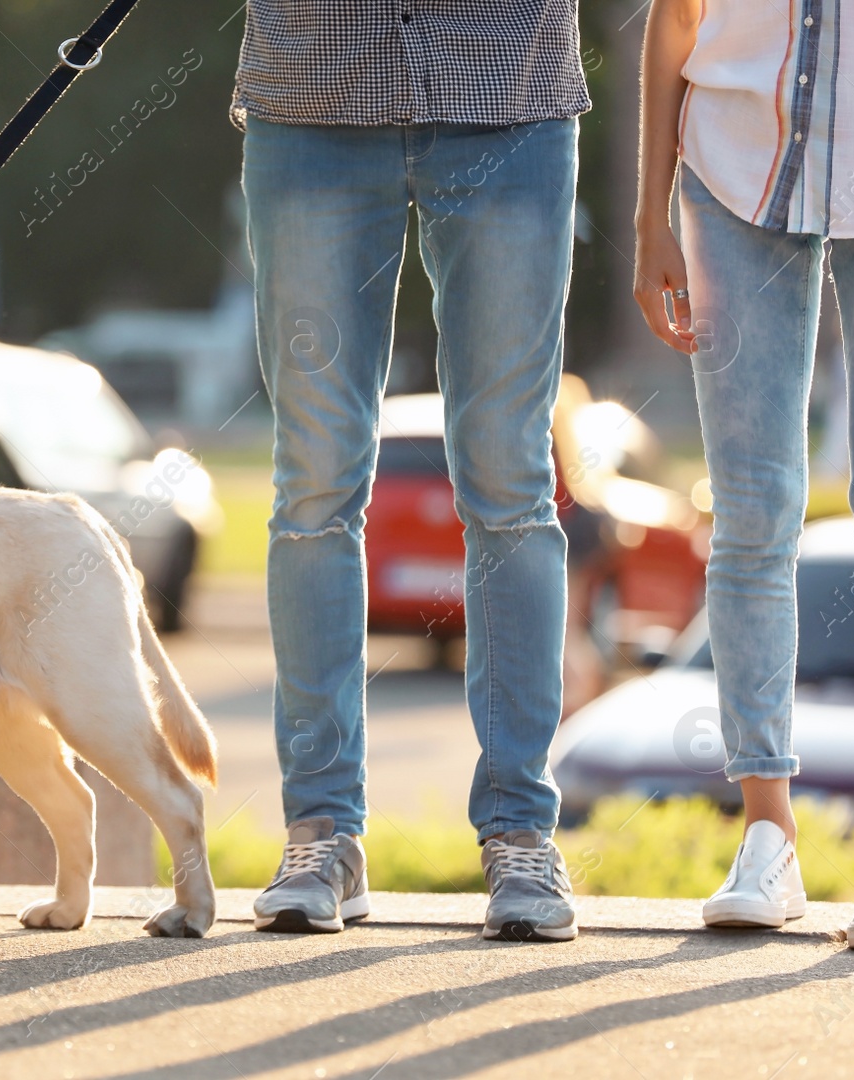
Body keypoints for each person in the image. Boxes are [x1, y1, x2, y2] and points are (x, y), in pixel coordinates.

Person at [234, 3, 590, 940]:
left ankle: (520, 830)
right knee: (314, 482)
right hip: (314, 90)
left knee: (511, 478)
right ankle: (321, 832)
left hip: (506, 89)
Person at [636, 0, 854, 949]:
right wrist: (648, 214)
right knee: (751, 513)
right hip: (733, 159)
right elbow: (676, 17)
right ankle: (766, 834)